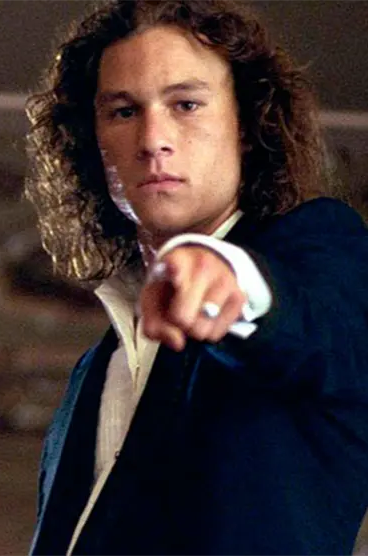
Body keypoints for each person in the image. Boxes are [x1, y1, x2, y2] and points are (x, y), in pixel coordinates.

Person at [24, 1, 368, 555]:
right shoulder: (97, 365)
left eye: (185, 104)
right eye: (123, 112)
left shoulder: (321, 245)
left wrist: (229, 277)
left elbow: (315, 328)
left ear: (246, 126)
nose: (153, 138)